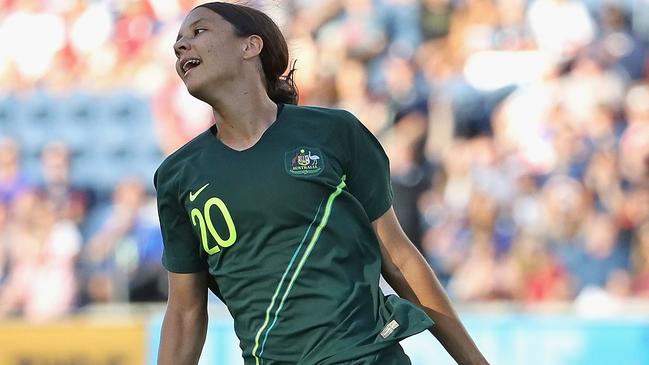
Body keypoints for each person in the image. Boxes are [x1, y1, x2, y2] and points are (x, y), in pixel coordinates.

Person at [155, 2, 489, 364]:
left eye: (198, 31)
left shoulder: (335, 132)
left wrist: (474, 361)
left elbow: (399, 257)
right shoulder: (177, 176)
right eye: (178, 40)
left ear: (250, 46)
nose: (180, 46)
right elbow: (186, 311)